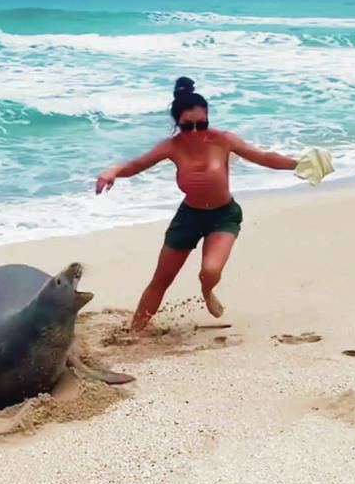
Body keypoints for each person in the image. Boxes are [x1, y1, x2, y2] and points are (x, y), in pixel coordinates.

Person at [95, 76, 299, 331]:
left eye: (201, 125)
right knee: (161, 279)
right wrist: (112, 171)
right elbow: (135, 165)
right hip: (189, 217)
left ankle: (207, 291)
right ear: (178, 124)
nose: (194, 132)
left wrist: (299, 164)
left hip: (223, 216)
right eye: (187, 126)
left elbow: (264, 157)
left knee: (210, 270)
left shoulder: (223, 140)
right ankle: (134, 332)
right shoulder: (171, 146)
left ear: (208, 120)